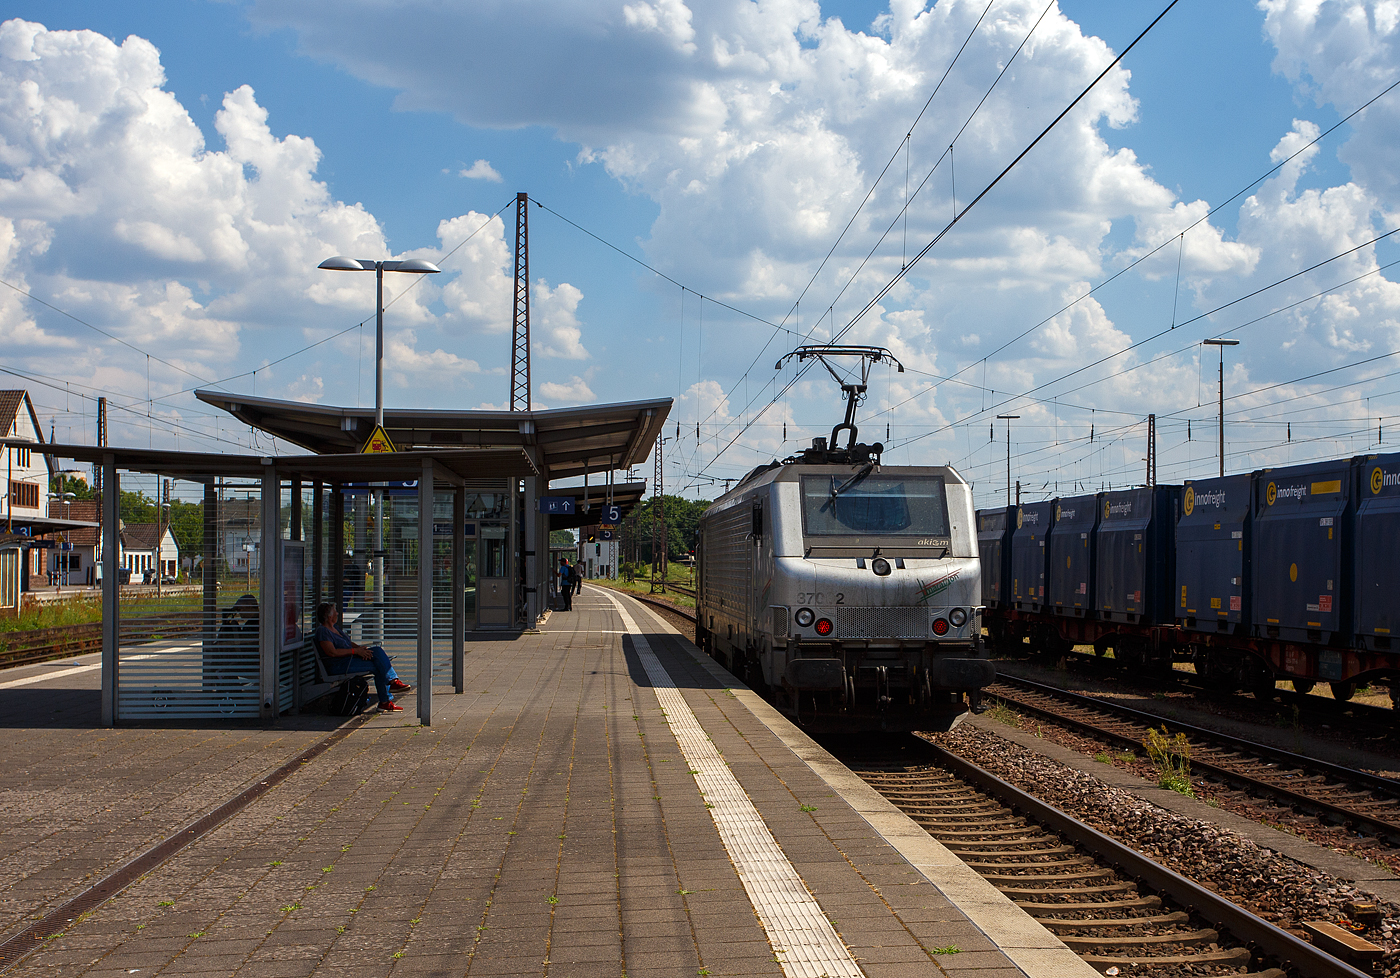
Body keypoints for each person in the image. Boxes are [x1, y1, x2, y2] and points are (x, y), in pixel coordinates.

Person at [314, 601, 411, 712]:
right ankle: (387, 696)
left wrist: (361, 650)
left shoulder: (335, 628)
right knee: (378, 666)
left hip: (349, 660)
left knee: (376, 651)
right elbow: (332, 652)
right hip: (340, 665)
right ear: (329, 616)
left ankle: (391, 687)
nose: (337, 613)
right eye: (335, 611)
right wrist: (356, 651)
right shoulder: (323, 632)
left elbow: (348, 643)